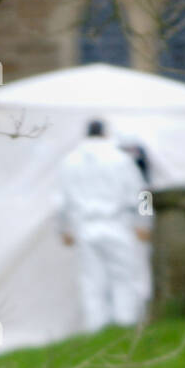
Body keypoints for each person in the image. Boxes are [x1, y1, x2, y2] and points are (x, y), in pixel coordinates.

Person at [57, 119, 152, 334]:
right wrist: (144, 223)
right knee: (124, 277)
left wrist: (64, 229)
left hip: (84, 227)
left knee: (91, 280)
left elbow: (60, 201)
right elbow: (142, 192)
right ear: (105, 134)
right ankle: (125, 325)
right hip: (118, 224)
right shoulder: (121, 160)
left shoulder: (69, 161)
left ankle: (95, 328)